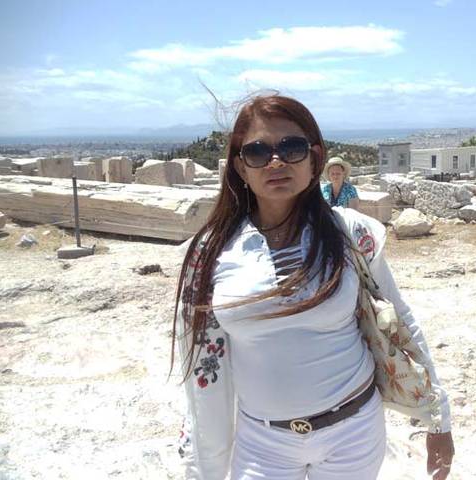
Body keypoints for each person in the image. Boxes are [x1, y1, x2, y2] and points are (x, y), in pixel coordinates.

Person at [171, 94, 454, 480]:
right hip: (262, 443)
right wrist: (202, 467)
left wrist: (438, 419)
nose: (276, 162)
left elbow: (401, 319)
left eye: (291, 148)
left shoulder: (350, 234)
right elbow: (201, 368)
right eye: (258, 152)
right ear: (240, 166)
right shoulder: (209, 254)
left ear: (314, 158)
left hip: (353, 434)